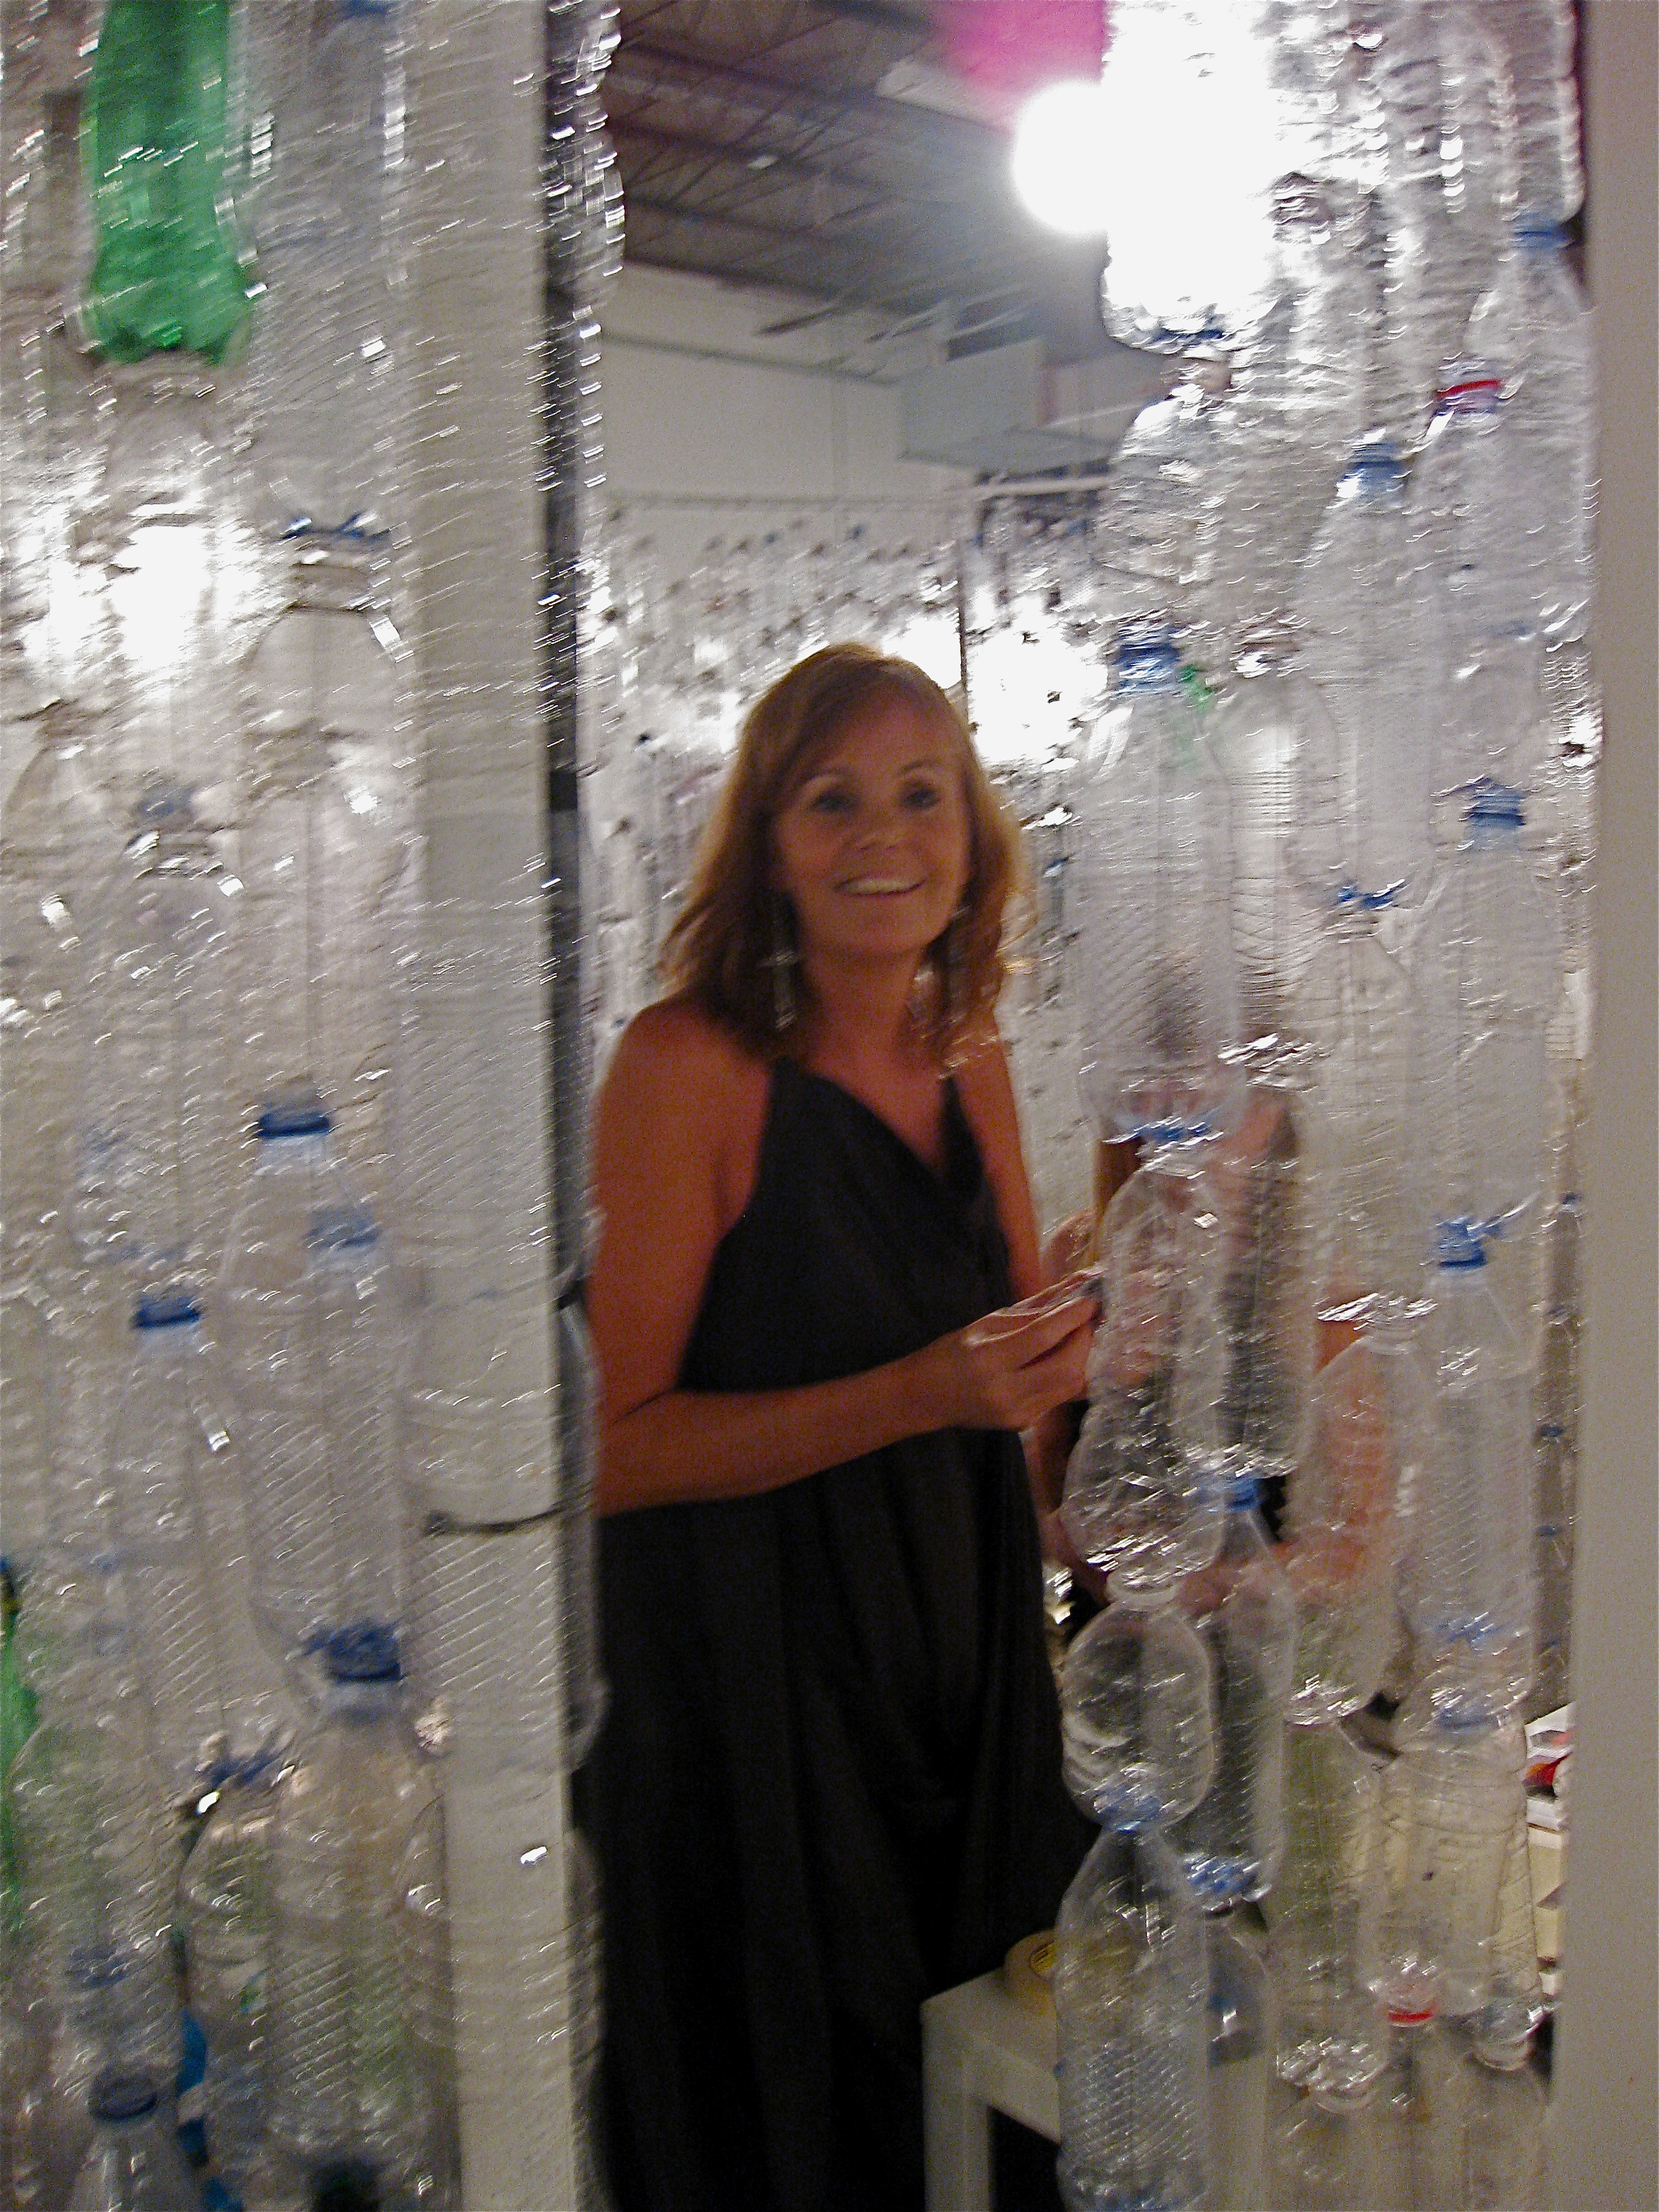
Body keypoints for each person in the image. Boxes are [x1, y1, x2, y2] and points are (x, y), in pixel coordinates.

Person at [583, 642, 1098, 2212]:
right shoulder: (686, 1067)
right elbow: (608, 1455)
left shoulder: (972, 1053)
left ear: (974, 840)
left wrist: (1105, 1323)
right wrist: (923, 1392)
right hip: (753, 1706)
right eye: (833, 799)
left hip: (963, 1668)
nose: (885, 836)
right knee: (801, 2126)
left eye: (922, 795)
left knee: (988, 2098)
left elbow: (1016, 1383)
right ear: (769, 844)